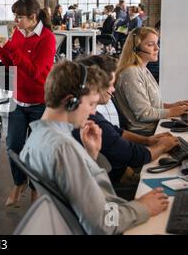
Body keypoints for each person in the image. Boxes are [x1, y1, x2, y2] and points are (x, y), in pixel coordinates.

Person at [20, 60, 169, 235]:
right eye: (91, 104)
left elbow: (74, 191)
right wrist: (142, 207)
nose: (92, 112)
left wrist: (90, 156)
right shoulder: (63, 148)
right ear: (71, 102)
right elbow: (102, 223)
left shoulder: (36, 137)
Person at [72, 55, 179, 187]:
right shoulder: (90, 120)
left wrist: (147, 140)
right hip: (117, 184)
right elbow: (136, 157)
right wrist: (163, 146)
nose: (113, 89)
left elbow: (116, 131)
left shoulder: (86, 112)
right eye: (111, 84)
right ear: (96, 85)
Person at [0, 0, 56, 207]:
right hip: (19, 100)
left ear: (33, 17)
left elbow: (36, 72)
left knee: (36, 151)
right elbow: (12, 63)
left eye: (19, 17)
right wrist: (0, 49)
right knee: (12, 146)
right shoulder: (18, 33)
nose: (15, 21)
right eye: (14, 16)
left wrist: (10, 47)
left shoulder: (47, 38)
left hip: (41, 102)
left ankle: (36, 189)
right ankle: (20, 183)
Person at [115, 27, 188, 135]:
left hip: (154, 127)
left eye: (157, 43)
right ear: (136, 48)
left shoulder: (143, 69)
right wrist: (173, 111)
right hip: (146, 133)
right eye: (150, 44)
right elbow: (144, 113)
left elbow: (150, 105)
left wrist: (174, 105)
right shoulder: (131, 73)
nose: (157, 48)